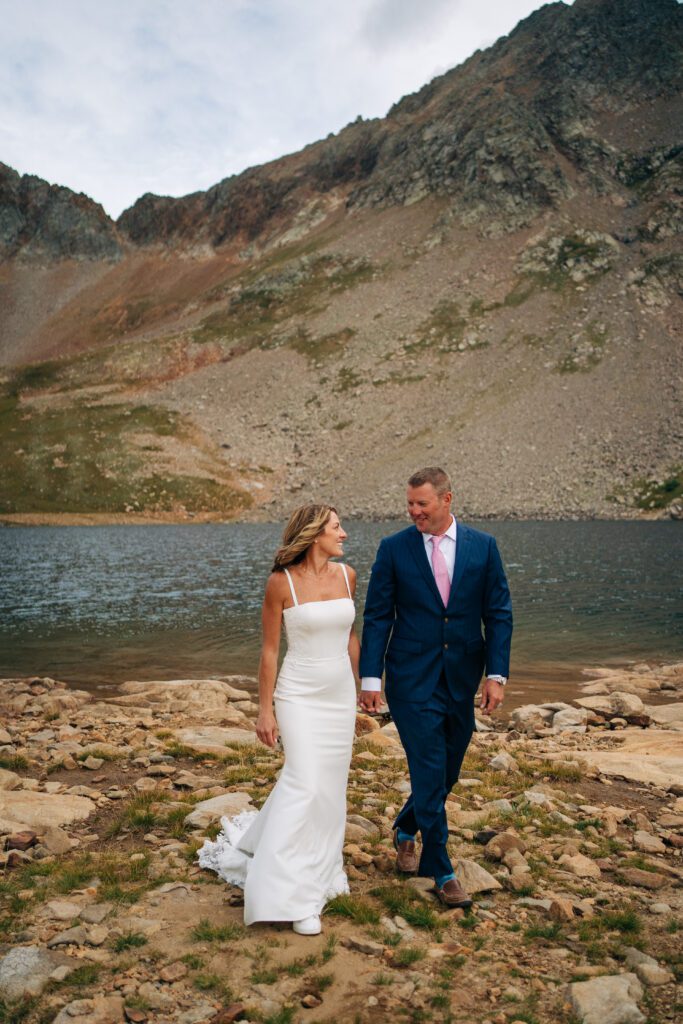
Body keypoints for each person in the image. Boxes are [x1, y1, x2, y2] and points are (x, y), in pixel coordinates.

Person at [198, 505, 359, 935]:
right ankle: (286, 894)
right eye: (336, 527)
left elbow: (350, 636)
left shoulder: (348, 577)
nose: (343, 533)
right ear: (313, 535)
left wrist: (363, 689)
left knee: (329, 788)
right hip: (299, 694)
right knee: (304, 782)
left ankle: (322, 868)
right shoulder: (280, 583)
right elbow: (270, 651)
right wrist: (264, 708)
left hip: (339, 693)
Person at [359, 468, 512, 908]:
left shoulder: (483, 547)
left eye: (422, 504)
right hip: (409, 678)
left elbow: (498, 612)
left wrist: (496, 675)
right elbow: (378, 616)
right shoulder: (393, 549)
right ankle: (441, 866)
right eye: (409, 504)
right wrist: (372, 679)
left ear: (447, 499)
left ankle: (406, 828)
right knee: (428, 765)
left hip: (462, 677)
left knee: (449, 768)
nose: (414, 512)